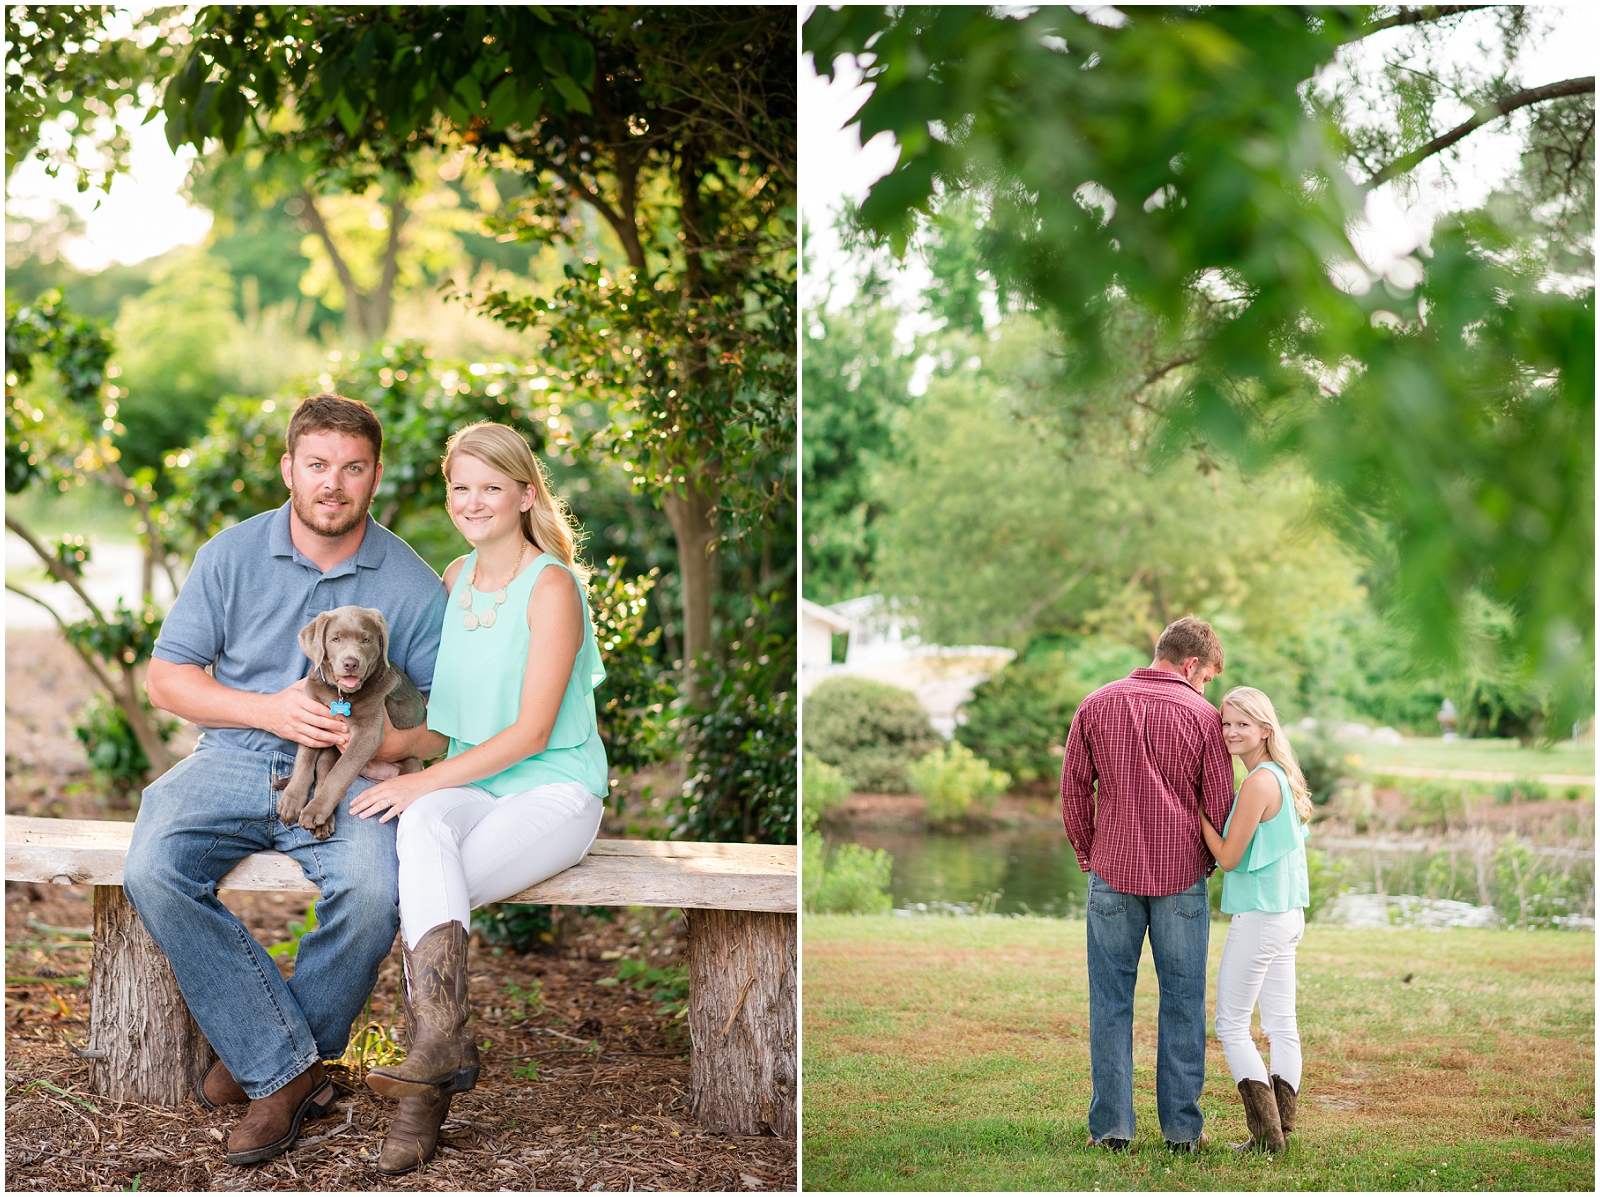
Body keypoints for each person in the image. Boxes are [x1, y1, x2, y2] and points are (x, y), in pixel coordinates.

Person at [125, 394, 450, 1166]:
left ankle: (265, 1069)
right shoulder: (231, 553)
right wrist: (267, 710)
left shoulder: (410, 582)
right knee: (152, 865)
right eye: (317, 465)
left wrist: (389, 743)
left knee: (375, 892)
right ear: (289, 469)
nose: (333, 482)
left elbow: (456, 718)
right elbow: (166, 681)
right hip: (233, 756)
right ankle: (286, 1067)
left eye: (352, 467)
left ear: (374, 476)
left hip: (353, 770)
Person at [348, 421, 610, 1175]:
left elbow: (529, 731)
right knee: (423, 825)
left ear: (525, 494)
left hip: (554, 788)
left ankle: (420, 1101)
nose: (473, 500)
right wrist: (383, 755)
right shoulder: (456, 579)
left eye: (490, 486)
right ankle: (442, 1044)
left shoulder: (552, 584)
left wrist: (420, 779)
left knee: (427, 871)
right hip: (469, 782)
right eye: (460, 486)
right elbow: (443, 722)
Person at [1060, 615, 1236, 1153]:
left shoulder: (1096, 703)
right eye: (1206, 677)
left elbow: (1072, 793)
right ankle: (1182, 1133)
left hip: (1112, 877)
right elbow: (1221, 805)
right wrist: (1205, 863)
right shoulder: (1203, 718)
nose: (1206, 688)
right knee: (1183, 1001)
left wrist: (1091, 855)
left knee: (1109, 1001)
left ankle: (1112, 1130)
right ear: (1191, 665)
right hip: (1181, 880)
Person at [1198, 686, 1312, 1155]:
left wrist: (1196, 814)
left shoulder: (1258, 782)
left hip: (1262, 917)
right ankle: (1280, 1130)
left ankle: (1267, 1138)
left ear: (1266, 729)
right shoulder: (1280, 776)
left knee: (1231, 1025)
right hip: (1287, 915)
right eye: (1225, 723)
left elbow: (1227, 857)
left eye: (1242, 724)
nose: (1230, 732)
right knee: (1282, 1023)